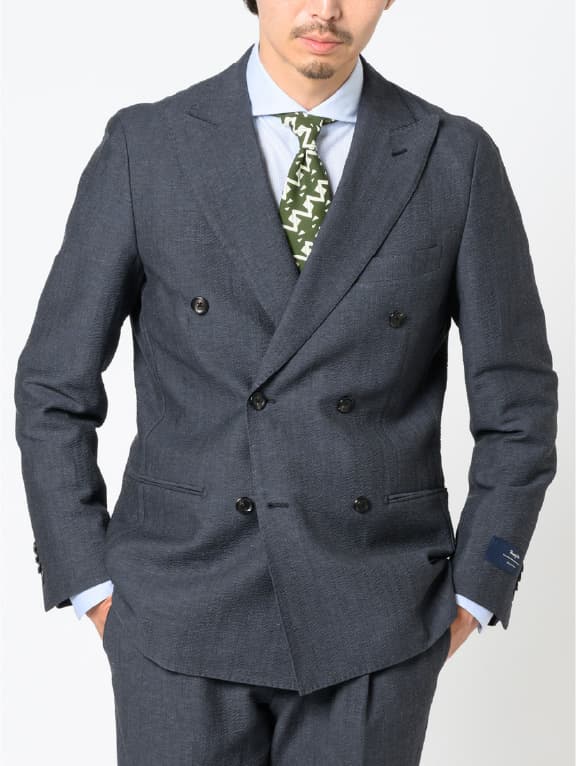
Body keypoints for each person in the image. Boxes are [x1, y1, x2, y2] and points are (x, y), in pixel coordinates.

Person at [14, 0, 558, 763]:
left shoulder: (453, 158)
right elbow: (52, 386)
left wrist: (478, 587)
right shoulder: (148, 146)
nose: (326, 8)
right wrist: (90, 583)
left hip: (378, 620)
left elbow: (520, 407)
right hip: (176, 617)